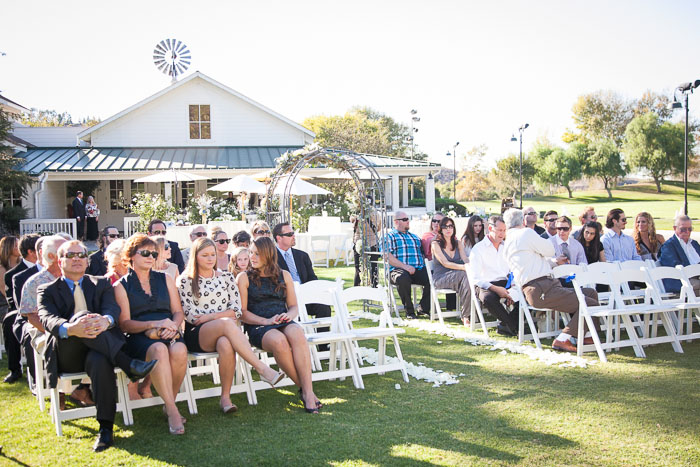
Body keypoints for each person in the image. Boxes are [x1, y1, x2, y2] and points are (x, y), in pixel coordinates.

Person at [38, 240, 157, 452]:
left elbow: (112, 309)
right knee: (82, 317)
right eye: (71, 255)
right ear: (59, 260)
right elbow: (47, 319)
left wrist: (107, 321)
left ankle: (105, 429)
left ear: (87, 261)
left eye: (81, 255)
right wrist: (71, 328)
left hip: (100, 350)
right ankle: (127, 363)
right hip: (68, 352)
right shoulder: (47, 290)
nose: (77, 259)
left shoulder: (101, 284)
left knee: (100, 360)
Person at [177, 238, 284, 413]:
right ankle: (262, 369)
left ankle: (225, 398)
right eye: (205, 255)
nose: (210, 259)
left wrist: (211, 316)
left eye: (212, 254)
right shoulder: (185, 280)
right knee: (227, 324)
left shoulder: (226, 277)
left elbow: (237, 310)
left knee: (226, 343)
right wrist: (221, 318)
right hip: (197, 335)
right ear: (195, 257)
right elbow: (193, 317)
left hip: (224, 332)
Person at [114, 233, 188, 435]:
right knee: (158, 349)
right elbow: (125, 324)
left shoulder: (165, 279)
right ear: (130, 256)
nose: (150, 257)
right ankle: (172, 409)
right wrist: (154, 324)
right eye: (145, 252)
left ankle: (168, 402)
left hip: (169, 330)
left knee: (180, 350)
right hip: (139, 336)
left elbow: (178, 312)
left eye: (154, 254)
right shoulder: (121, 286)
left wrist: (173, 325)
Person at [237, 237, 322, 413]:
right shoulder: (244, 277)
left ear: (268, 255)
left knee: (297, 332)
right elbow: (243, 313)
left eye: (257, 254)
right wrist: (266, 321)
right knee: (279, 341)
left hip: (282, 320)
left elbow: (293, 307)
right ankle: (306, 391)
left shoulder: (284, 275)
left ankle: (306, 391)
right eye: (251, 253)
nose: (252, 257)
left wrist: (287, 316)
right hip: (259, 325)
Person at [502, 208, 599, 353]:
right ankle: (563, 339)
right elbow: (550, 249)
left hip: (539, 288)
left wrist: (548, 259)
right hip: (542, 288)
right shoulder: (526, 233)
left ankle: (587, 335)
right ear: (523, 221)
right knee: (590, 304)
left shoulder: (508, 241)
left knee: (590, 293)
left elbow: (536, 261)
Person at [273, 222, 332, 342]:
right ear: (279, 238)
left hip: (306, 297)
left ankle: (322, 344)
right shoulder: (271, 258)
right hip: (286, 301)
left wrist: (309, 292)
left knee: (324, 307)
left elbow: (312, 278)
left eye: (293, 233)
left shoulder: (302, 256)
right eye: (289, 234)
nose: (293, 236)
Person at [469, 216, 520, 336]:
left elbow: (512, 270)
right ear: (491, 228)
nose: (502, 234)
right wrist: (496, 289)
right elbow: (476, 278)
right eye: (499, 230)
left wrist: (512, 287)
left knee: (526, 293)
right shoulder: (478, 249)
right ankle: (513, 326)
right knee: (488, 298)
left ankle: (506, 325)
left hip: (506, 282)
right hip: (485, 284)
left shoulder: (506, 247)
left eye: (504, 230)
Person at [3, 233, 40, 383]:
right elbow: (17, 302)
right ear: (31, 252)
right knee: (9, 320)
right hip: (23, 311)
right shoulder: (14, 274)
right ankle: (15, 369)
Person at [385, 211, 430, 319]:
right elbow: (387, 256)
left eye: (408, 219)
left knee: (433, 277)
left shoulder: (415, 237)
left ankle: (423, 308)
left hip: (417, 269)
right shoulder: (389, 236)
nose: (408, 221)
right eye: (405, 219)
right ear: (396, 222)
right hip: (397, 270)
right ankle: (409, 311)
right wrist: (405, 267)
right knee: (402, 278)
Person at [430, 217, 471, 326]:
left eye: (451, 226)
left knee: (469, 276)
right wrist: (464, 267)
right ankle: (466, 315)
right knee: (465, 274)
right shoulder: (435, 244)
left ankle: (471, 312)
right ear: (440, 229)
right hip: (440, 278)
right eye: (445, 227)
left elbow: (465, 259)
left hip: (458, 276)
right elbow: (445, 263)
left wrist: (471, 265)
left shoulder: (458, 243)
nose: (448, 229)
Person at [659, 215, 700, 295]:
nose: (687, 232)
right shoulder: (668, 246)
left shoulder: (694, 244)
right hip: (680, 281)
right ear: (675, 228)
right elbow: (676, 268)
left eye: (690, 229)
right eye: (683, 229)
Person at [350, 209, 380, 287]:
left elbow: (352, 224)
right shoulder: (376, 214)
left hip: (363, 243)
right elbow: (379, 228)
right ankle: (374, 287)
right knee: (372, 268)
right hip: (364, 243)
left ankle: (358, 287)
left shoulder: (356, 214)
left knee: (360, 268)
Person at [0, 236, 20, 313]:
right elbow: (5, 292)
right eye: (16, 245)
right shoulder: (2, 269)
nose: (19, 247)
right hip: (6, 306)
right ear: (8, 248)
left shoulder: (22, 265)